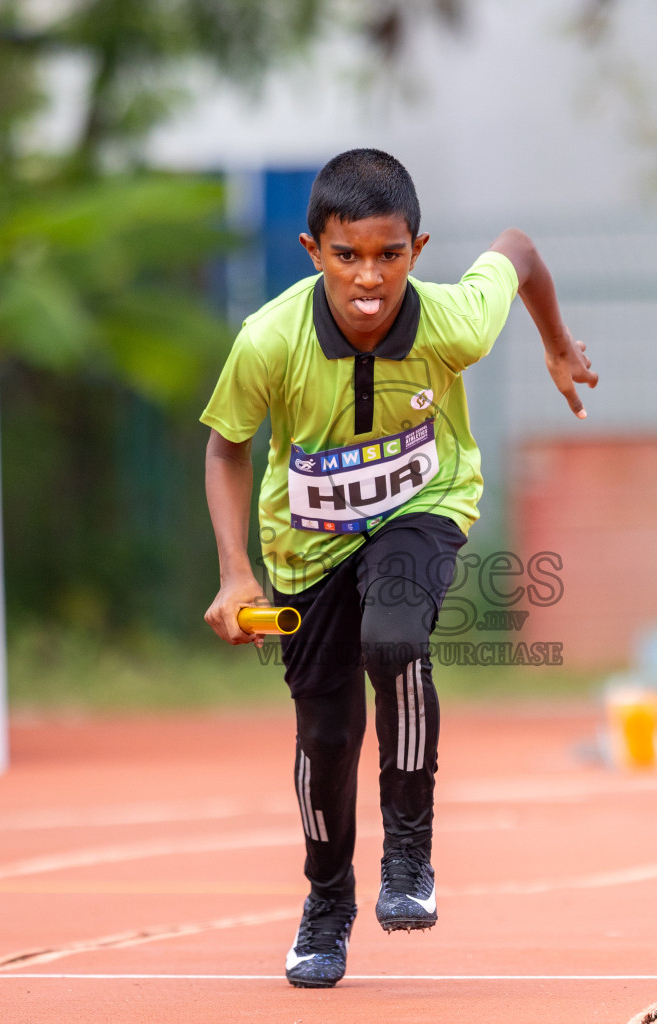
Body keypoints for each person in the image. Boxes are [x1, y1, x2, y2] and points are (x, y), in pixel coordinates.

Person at [200, 149, 596, 988]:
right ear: (314, 252)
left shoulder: (453, 322)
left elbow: (518, 250)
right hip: (304, 547)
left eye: (389, 255)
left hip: (424, 508)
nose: (369, 280)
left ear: (418, 248)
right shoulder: (269, 341)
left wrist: (557, 346)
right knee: (326, 738)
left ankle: (409, 852)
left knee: (394, 637)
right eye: (348, 257)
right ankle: (326, 902)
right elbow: (227, 447)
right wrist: (236, 573)